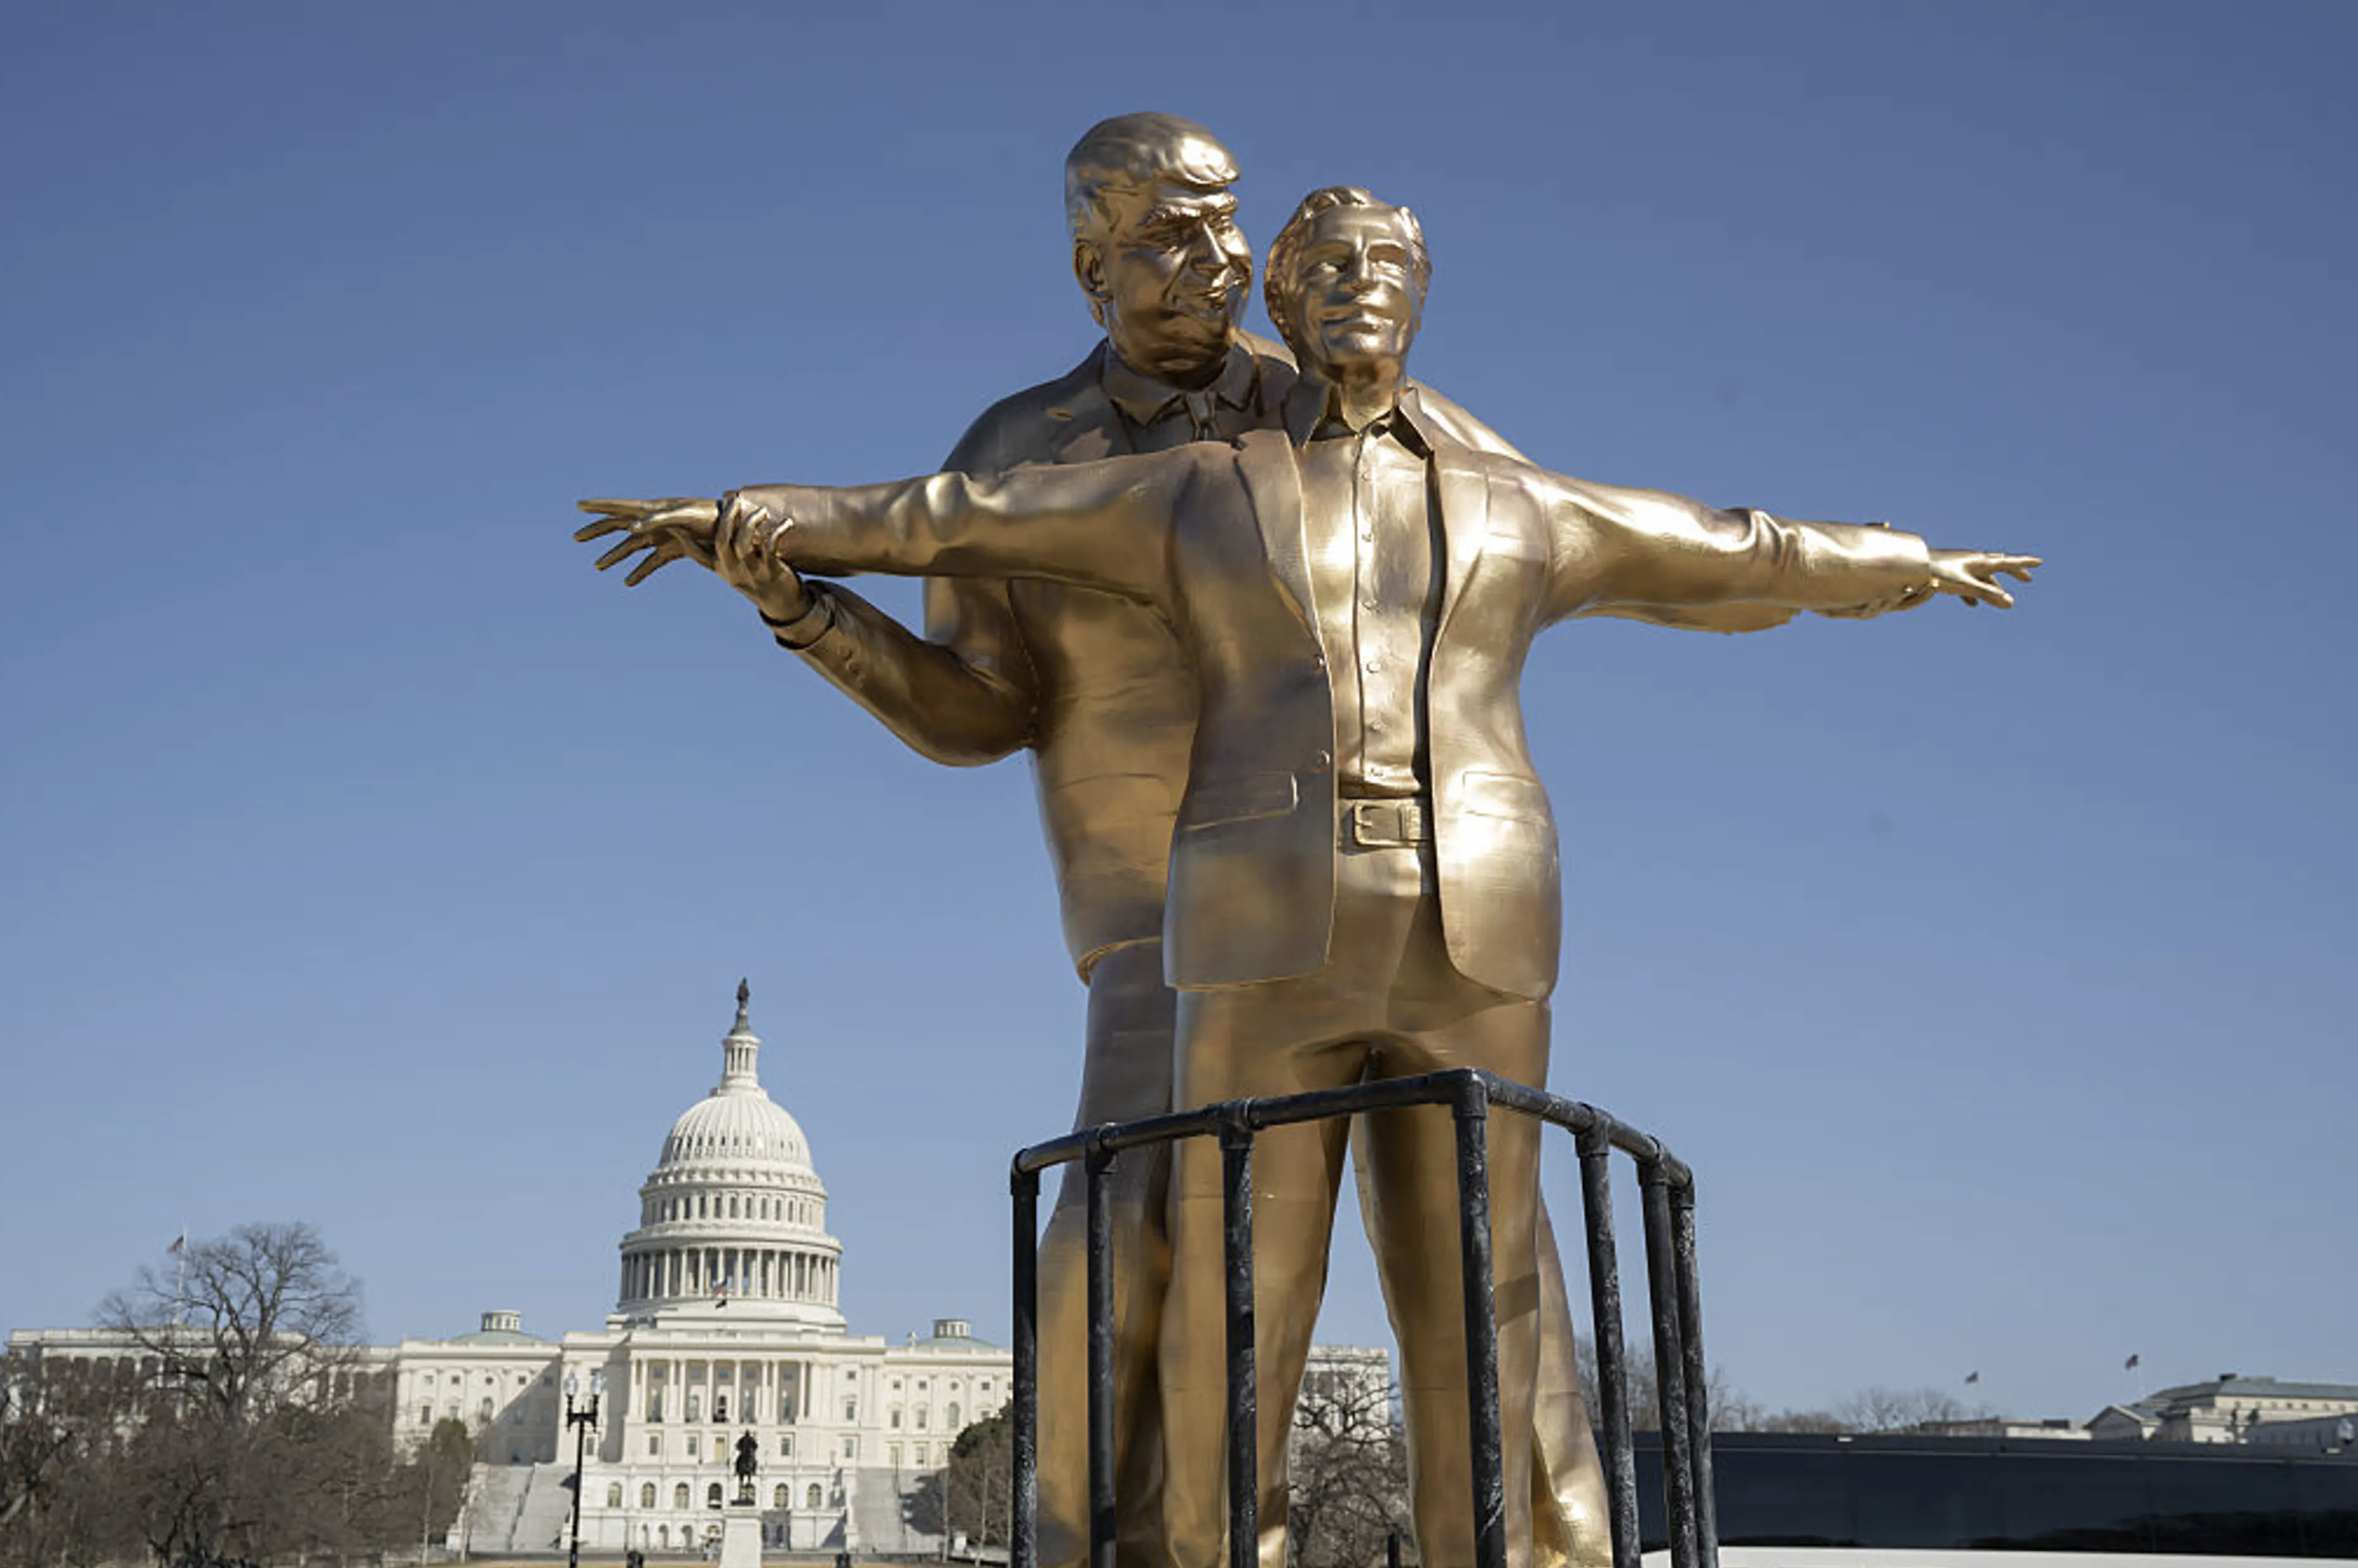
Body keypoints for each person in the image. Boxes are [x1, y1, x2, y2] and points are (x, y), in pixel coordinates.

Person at [581, 187, 2034, 1568]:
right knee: (1241, 1326)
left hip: (1476, 929)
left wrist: (1906, 560)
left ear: (1423, 305)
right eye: (1329, 271)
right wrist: (745, 520)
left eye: (1388, 273)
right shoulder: (1199, 489)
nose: (1362, 292)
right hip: (1261, 933)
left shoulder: (1519, 499)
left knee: (1483, 1312)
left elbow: (1734, 552)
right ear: (1284, 305)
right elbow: (953, 516)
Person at [584, 115, 1614, 1568]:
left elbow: (1529, 522)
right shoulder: (1017, 451)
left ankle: (1534, 1544)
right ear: (1093, 266)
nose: (1224, 260)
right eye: (1174, 236)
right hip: (1153, 929)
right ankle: (1106, 1548)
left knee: (1485, 1264)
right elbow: (976, 710)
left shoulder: (1346, 409)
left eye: (1230, 224)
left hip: (1383, 902)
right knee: (1117, 1257)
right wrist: (805, 608)